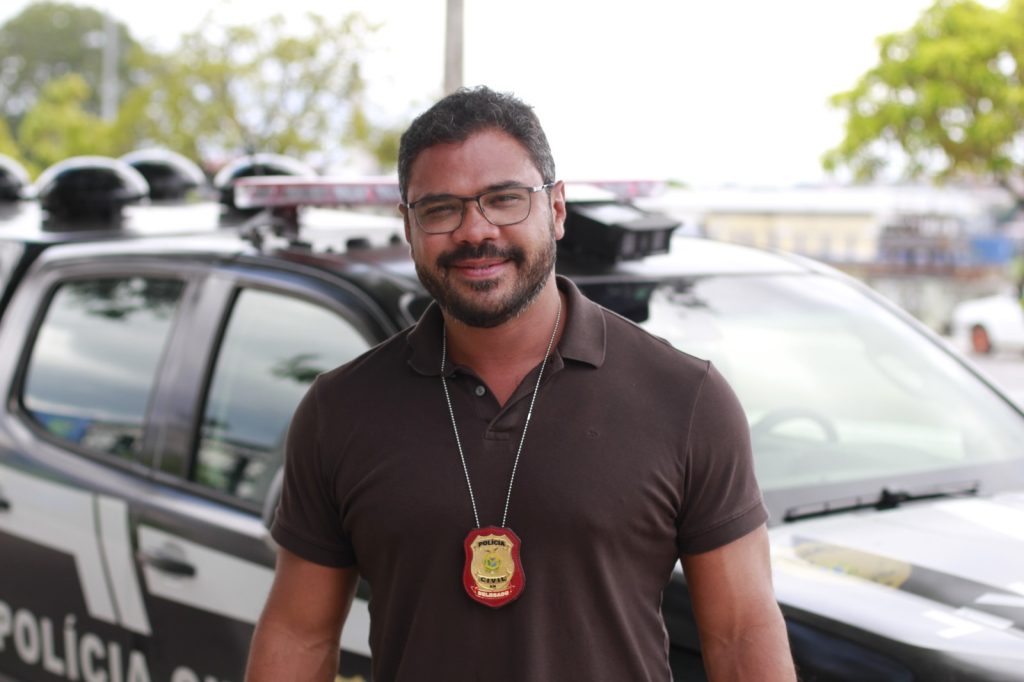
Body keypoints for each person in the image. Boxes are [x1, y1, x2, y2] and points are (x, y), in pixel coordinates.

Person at [246, 86, 796, 681]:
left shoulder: (686, 399)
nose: (474, 230)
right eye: (440, 209)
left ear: (556, 209)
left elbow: (741, 635)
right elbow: (299, 635)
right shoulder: (340, 410)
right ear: (408, 226)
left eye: (504, 199)